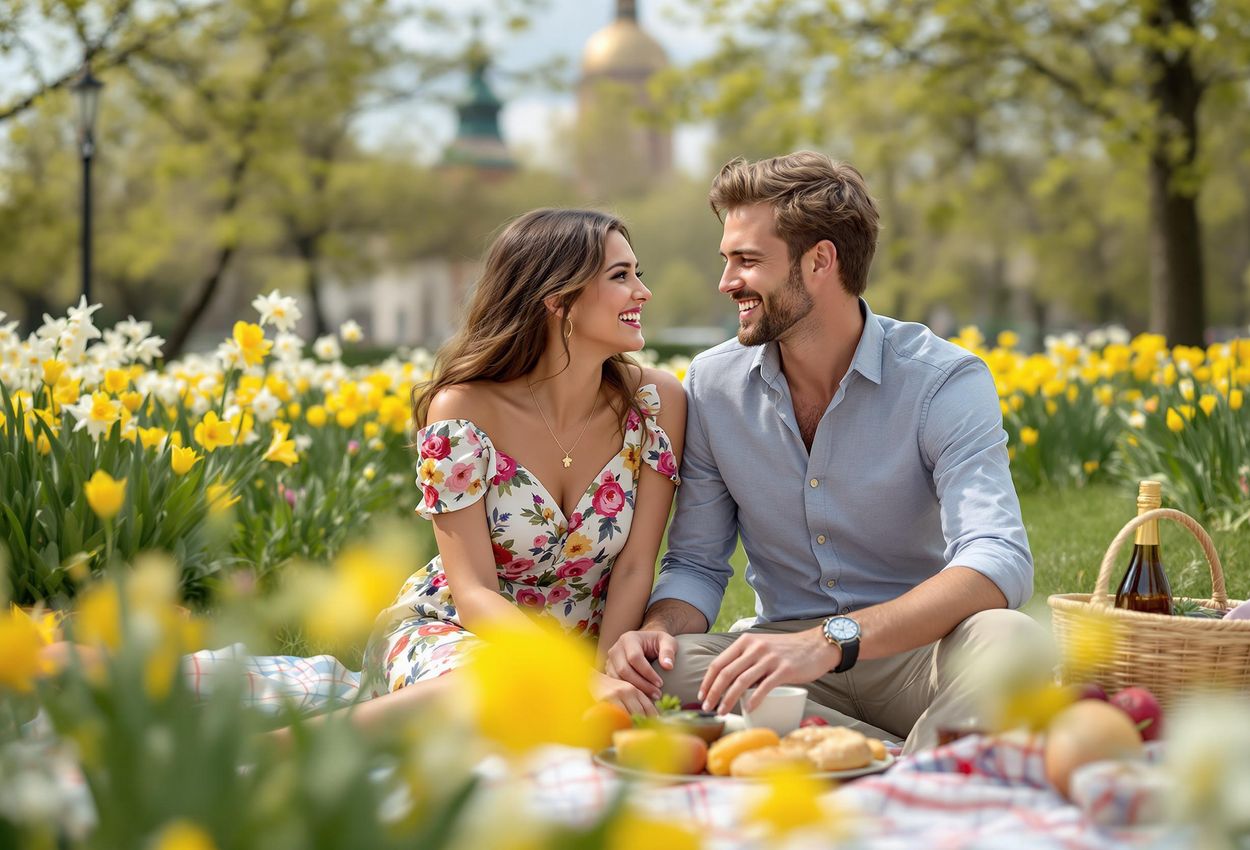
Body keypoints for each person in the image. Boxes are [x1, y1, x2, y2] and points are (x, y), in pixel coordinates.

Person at [603, 152, 1043, 753]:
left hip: (919, 653)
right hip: (782, 662)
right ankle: (903, 761)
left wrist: (831, 638)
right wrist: (655, 632)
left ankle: (851, 756)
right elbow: (698, 566)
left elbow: (998, 557)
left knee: (1013, 643)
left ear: (820, 260)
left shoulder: (942, 380)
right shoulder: (713, 385)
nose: (727, 281)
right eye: (727, 259)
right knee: (667, 672)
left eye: (748, 260)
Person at [355, 208, 685, 719]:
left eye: (636, 273)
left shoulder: (656, 404)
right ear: (557, 299)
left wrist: (606, 685)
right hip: (462, 634)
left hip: (586, 652)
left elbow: (635, 567)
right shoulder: (462, 410)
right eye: (621, 276)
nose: (642, 292)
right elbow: (473, 593)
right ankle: (281, 754)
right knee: (497, 690)